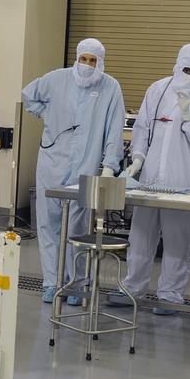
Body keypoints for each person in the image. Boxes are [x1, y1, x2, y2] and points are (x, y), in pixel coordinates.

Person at [108, 44, 190, 315]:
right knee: (141, 236)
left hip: (183, 182)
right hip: (150, 179)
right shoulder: (157, 89)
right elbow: (142, 128)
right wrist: (137, 160)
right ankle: (132, 288)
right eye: (188, 70)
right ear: (177, 66)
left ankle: (170, 295)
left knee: (179, 241)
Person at [22, 38, 126, 304]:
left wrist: (109, 166)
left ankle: (77, 284)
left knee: (77, 227)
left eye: (93, 61)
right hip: (51, 161)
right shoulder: (56, 79)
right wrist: (45, 113)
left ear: (100, 63)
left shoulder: (110, 87)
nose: (87, 65)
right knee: (48, 223)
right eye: (84, 59)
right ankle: (51, 282)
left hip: (85, 164)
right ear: (77, 58)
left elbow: (114, 129)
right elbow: (28, 94)